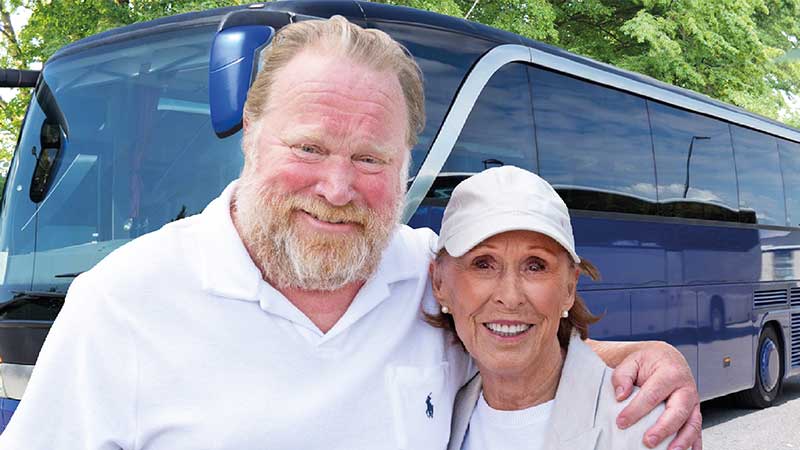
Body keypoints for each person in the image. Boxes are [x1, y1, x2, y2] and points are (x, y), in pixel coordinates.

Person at [0, 16, 701, 450]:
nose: (337, 189)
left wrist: (649, 358)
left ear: (405, 168)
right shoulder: (121, 304)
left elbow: (520, 336)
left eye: (370, 159)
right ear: (251, 134)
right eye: (308, 148)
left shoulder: (431, 272)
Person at [431, 166, 678, 450]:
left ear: (569, 288)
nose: (510, 297)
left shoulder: (644, 429)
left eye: (535, 265)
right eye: (483, 264)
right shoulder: (441, 416)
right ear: (439, 282)